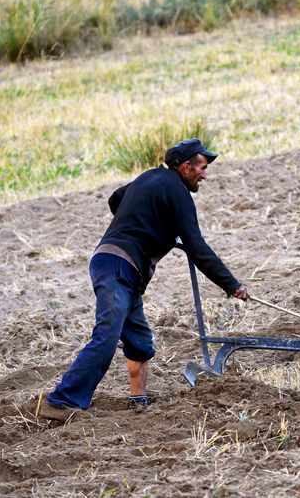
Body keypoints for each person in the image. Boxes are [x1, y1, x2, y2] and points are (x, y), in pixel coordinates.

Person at [38, 139, 250, 421]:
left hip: (119, 267)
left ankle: (138, 399)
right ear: (185, 167)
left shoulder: (149, 176)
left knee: (139, 341)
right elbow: (197, 246)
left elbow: (116, 198)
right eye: (201, 167)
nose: (205, 174)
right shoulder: (179, 193)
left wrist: (145, 222)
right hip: (117, 266)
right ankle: (61, 401)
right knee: (106, 337)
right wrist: (232, 285)